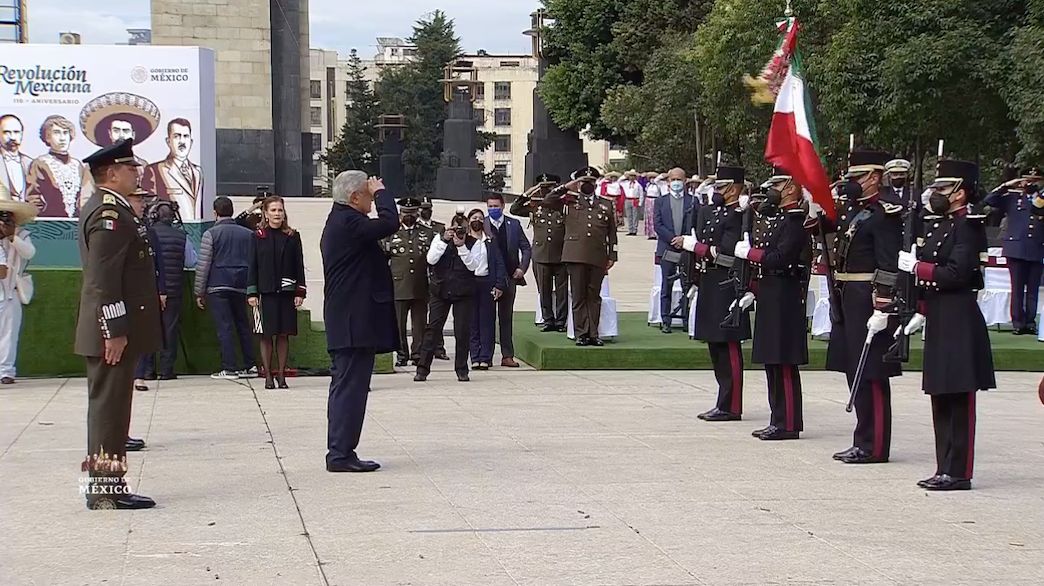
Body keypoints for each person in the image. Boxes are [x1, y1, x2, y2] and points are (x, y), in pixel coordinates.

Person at [74, 138, 162, 510]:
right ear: (111, 173)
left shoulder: (112, 208)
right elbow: (102, 279)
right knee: (109, 412)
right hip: (110, 332)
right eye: (130, 168)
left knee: (112, 410)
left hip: (112, 329)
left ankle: (107, 486)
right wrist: (114, 330)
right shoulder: (108, 214)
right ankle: (105, 490)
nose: (136, 173)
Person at [898, 159, 995, 490]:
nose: (936, 193)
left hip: (959, 316)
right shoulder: (940, 225)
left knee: (958, 396)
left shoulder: (968, 226)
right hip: (939, 314)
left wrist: (918, 268)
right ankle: (944, 466)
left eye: (943, 188)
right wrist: (920, 307)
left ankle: (958, 471)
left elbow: (957, 273)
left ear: (960, 193)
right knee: (940, 393)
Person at [824, 150, 903, 465]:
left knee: (871, 371)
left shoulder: (885, 213)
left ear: (874, 177)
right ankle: (862, 438)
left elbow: (888, 263)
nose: (851, 182)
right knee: (853, 366)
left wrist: (883, 304)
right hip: (846, 293)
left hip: (868, 295)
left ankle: (875, 444)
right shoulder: (850, 210)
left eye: (857, 177)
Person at [322, 171, 397, 473]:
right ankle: (340, 454)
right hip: (353, 322)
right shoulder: (348, 222)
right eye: (368, 194)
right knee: (350, 389)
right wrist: (382, 193)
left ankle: (341, 450)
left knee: (348, 387)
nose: (372, 200)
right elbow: (390, 223)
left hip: (350, 320)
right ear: (355, 197)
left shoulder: (343, 221)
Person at [732, 169, 811, 440]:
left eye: (777, 185)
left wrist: (751, 253)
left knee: (783, 360)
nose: (772, 190)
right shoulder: (780, 219)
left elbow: (781, 258)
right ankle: (777, 419)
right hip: (770, 292)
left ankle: (788, 423)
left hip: (785, 295)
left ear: (791, 187)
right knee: (772, 361)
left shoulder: (795, 221)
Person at [681, 165, 751, 421]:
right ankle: (723, 401)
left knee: (728, 345)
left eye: (721, 187)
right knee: (715, 345)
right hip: (709, 281)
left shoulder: (740, 215)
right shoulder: (709, 211)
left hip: (728, 283)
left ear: (734, 188)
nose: (717, 191)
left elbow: (728, 252)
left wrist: (697, 248)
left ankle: (731, 405)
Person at [544, 167, 619, 346]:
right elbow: (548, 200)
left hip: (598, 255)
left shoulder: (605, 204)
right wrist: (567, 186)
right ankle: (581, 333)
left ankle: (593, 333)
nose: (588, 185)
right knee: (578, 296)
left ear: (596, 184)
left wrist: (612, 255)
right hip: (575, 255)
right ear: (578, 184)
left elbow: (612, 233)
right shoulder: (569, 202)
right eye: (584, 181)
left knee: (594, 296)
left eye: (591, 181)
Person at [414, 208, 489, 382]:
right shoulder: (439, 239)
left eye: (462, 229)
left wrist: (462, 247)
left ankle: (462, 369)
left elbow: (474, 266)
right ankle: (423, 368)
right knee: (432, 329)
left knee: (462, 331)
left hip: (463, 292)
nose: (458, 232)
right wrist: (444, 240)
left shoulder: (475, 244)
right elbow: (431, 259)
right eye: (455, 229)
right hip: (440, 290)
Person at [134, 201, 197, 388]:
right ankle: (166, 370)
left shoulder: (146, 234)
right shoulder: (181, 236)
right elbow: (191, 261)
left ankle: (147, 370)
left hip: (149, 289)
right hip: (174, 290)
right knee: (170, 330)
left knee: (148, 329)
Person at [195, 197, 258, 379]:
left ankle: (229, 367)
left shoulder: (211, 234)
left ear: (215, 213)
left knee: (225, 327)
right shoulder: (248, 234)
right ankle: (250, 365)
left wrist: (199, 291)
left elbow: (203, 265)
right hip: (242, 284)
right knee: (243, 325)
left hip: (218, 284)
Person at [248, 196, 306, 389]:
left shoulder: (292, 236)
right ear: (265, 213)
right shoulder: (257, 236)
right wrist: (252, 292)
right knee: (266, 335)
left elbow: (299, 265)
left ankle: (281, 375)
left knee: (283, 334)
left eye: (280, 210)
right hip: (265, 292)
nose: (277, 214)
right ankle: (267, 376)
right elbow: (252, 265)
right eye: (273, 210)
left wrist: (300, 291)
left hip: (287, 292)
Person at [983, 166, 1044, 334]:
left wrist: (1035, 195)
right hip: (1016, 247)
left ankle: (1030, 322)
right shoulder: (1012, 197)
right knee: (1017, 288)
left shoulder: (1041, 198)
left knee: (1033, 289)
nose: (1030, 183)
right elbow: (989, 200)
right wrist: (1007, 185)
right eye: (1027, 180)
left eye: (1035, 181)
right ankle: (1018, 322)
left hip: (1037, 247)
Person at [510, 174, 569, 332]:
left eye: (549, 187)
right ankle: (548, 319)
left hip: (561, 255)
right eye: (543, 187)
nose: (545, 191)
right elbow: (514, 209)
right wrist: (529, 192)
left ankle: (561, 321)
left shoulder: (564, 206)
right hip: (541, 255)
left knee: (562, 291)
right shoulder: (535, 207)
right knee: (544, 290)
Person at [484, 193, 531, 367]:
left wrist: (522, 268)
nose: (493, 209)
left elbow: (526, 248)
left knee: (506, 317)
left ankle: (507, 355)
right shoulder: (483, 224)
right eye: (490, 206)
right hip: (488, 278)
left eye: (496, 206)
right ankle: (486, 355)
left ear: (503, 206)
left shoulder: (514, 224)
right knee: (487, 318)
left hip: (510, 277)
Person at [387, 197, 434, 367]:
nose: (409, 216)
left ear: (417, 213)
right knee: (399, 323)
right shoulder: (391, 232)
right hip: (398, 285)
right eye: (405, 212)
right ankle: (401, 354)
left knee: (419, 323)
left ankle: (417, 354)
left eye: (412, 213)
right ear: (400, 213)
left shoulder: (427, 233)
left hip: (421, 284)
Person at [0, 195, 38, 385]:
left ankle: (6, 371)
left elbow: (29, 253)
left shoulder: (22, 235)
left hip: (11, 291)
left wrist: (12, 236)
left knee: (9, 333)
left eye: (7, 216)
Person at [654, 167, 697, 334]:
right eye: (673, 180)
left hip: (686, 248)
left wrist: (684, 240)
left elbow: (696, 224)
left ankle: (686, 319)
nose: (676, 182)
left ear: (685, 181)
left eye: (679, 179)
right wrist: (673, 239)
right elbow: (658, 225)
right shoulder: (661, 201)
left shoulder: (693, 201)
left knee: (687, 285)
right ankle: (666, 320)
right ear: (668, 182)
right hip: (667, 249)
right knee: (667, 285)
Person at [27, 115, 92, 218]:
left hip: (77, 222)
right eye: (56, 133)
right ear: (47, 137)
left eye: (65, 133)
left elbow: (85, 195)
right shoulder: (39, 163)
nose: (62, 138)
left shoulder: (77, 165)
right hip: (49, 222)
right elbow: (33, 197)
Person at [142, 118, 204, 220]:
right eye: (176, 136)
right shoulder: (154, 170)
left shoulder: (198, 172)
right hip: (170, 227)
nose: (182, 141)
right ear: (168, 141)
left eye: (186, 136)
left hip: (197, 227)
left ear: (191, 141)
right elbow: (148, 205)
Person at [470, 208, 509, 370]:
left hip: (487, 283)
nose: (477, 221)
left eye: (480, 218)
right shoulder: (465, 241)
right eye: (474, 218)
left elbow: (499, 263)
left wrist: (499, 285)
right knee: (472, 322)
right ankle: (475, 357)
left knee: (487, 322)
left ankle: (486, 357)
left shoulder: (491, 241)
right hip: (470, 284)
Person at [418, 196, 449, 361]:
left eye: (428, 208)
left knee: (437, 315)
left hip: (437, 277)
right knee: (420, 316)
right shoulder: (415, 228)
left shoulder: (440, 228)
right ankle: (420, 349)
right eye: (423, 208)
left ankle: (439, 347)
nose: (426, 211)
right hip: (418, 275)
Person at [1, 114, 34, 202]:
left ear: (21, 134)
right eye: (6, 132)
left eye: (16, 132)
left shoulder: (30, 163)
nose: (12, 137)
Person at [620, 169, 644, 236]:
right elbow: (619, 181)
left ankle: (634, 230)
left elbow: (641, 194)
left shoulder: (638, 185)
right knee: (629, 215)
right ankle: (630, 229)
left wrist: (640, 203)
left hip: (635, 200)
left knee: (635, 215)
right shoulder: (626, 183)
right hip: (627, 199)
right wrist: (625, 176)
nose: (631, 177)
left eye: (633, 176)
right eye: (630, 176)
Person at [642, 172, 661, 239]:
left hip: (655, 200)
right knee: (648, 217)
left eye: (653, 178)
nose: (652, 179)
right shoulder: (648, 185)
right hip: (648, 200)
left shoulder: (658, 185)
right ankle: (650, 234)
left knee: (654, 217)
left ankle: (656, 233)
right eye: (651, 178)